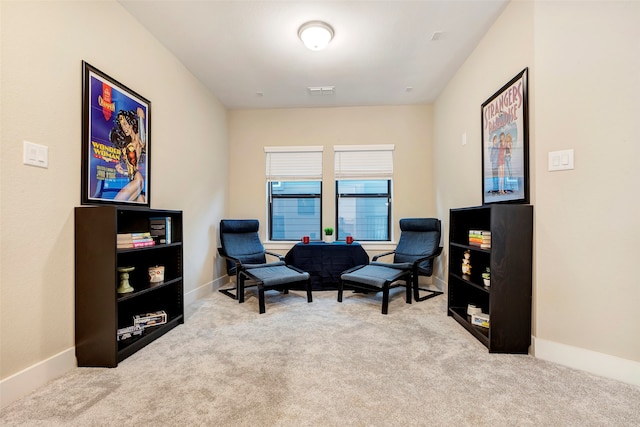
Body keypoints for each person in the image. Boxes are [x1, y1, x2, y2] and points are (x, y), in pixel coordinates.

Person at [109, 107, 146, 202]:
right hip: (136, 179)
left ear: (131, 123)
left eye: (125, 123)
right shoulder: (128, 145)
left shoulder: (137, 140)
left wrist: (140, 118)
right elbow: (131, 170)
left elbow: (141, 114)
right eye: (122, 125)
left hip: (138, 179)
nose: (124, 128)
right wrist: (123, 172)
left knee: (115, 204)